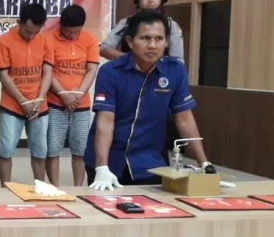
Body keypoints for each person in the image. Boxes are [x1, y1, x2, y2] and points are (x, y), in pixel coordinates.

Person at [85, 10, 215, 191]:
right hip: (110, 160)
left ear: (166, 41)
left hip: (150, 162)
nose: (152, 45)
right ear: (130, 41)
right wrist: (101, 167)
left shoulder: (175, 70)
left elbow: (184, 118)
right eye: (145, 38)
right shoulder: (110, 72)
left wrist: (204, 164)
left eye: (159, 39)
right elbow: (105, 121)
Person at [0, 3, 53, 184]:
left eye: (36, 32)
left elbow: (47, 72)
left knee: (40, 152)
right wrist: (22, 101)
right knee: (6, 151)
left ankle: (40, 188)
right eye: (28, 31)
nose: (31, 36)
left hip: (39, 105)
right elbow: (3, 75)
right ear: (19, 21)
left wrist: (39, 99)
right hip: (12, 105)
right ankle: (6, 189)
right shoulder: (3, 41)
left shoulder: (44, 40)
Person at [46, 5, 99, 187]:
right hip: (55, 103)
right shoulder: (48, 39)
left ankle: (78, 188)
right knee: (53, 149)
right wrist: (62, 93)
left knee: (80, 150)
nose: (72, 35)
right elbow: (47, 72)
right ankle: (55, 187)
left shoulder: (90, 39)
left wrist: (78, 94)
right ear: (61, 25)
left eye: (77, 32)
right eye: (69, 32)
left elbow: (91, 69)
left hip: (80, 105)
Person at [100, 0, 184, 62]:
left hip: (161, 69)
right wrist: (133, 60)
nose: (150, 0)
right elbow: (104, 48)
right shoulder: (126, 22)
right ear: (138, 0)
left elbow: (177, 60)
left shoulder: (170, 25)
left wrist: (151, 63)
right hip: (128, 69)